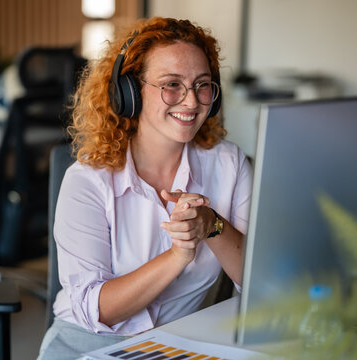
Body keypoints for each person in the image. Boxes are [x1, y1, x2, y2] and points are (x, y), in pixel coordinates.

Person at [37, 17, 252, 360]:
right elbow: (100, 311)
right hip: (89, 343)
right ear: (131, 92)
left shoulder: (228, 165)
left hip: (179, 344)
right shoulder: (87, 181)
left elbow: (257, 280)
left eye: (202, 85)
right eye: (172, 84)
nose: (192, 101)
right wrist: (177, 255)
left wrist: (212, 224)